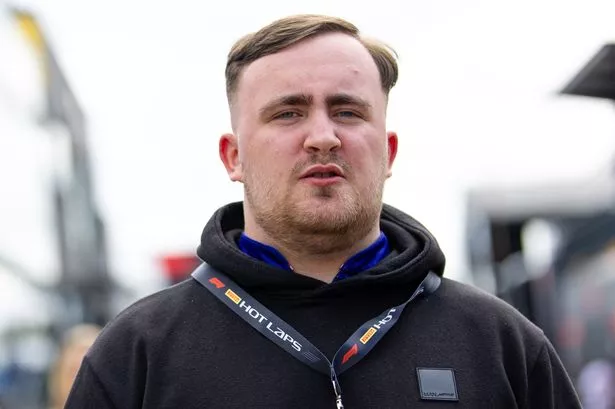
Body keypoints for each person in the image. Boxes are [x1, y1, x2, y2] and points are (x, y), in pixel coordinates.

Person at [64, 14, 581, 408]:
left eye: (347, 111)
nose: (322, 137)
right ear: (233, 156)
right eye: (288, 113)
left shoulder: (501, 344)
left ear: (389, 151)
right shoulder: (137, 354)